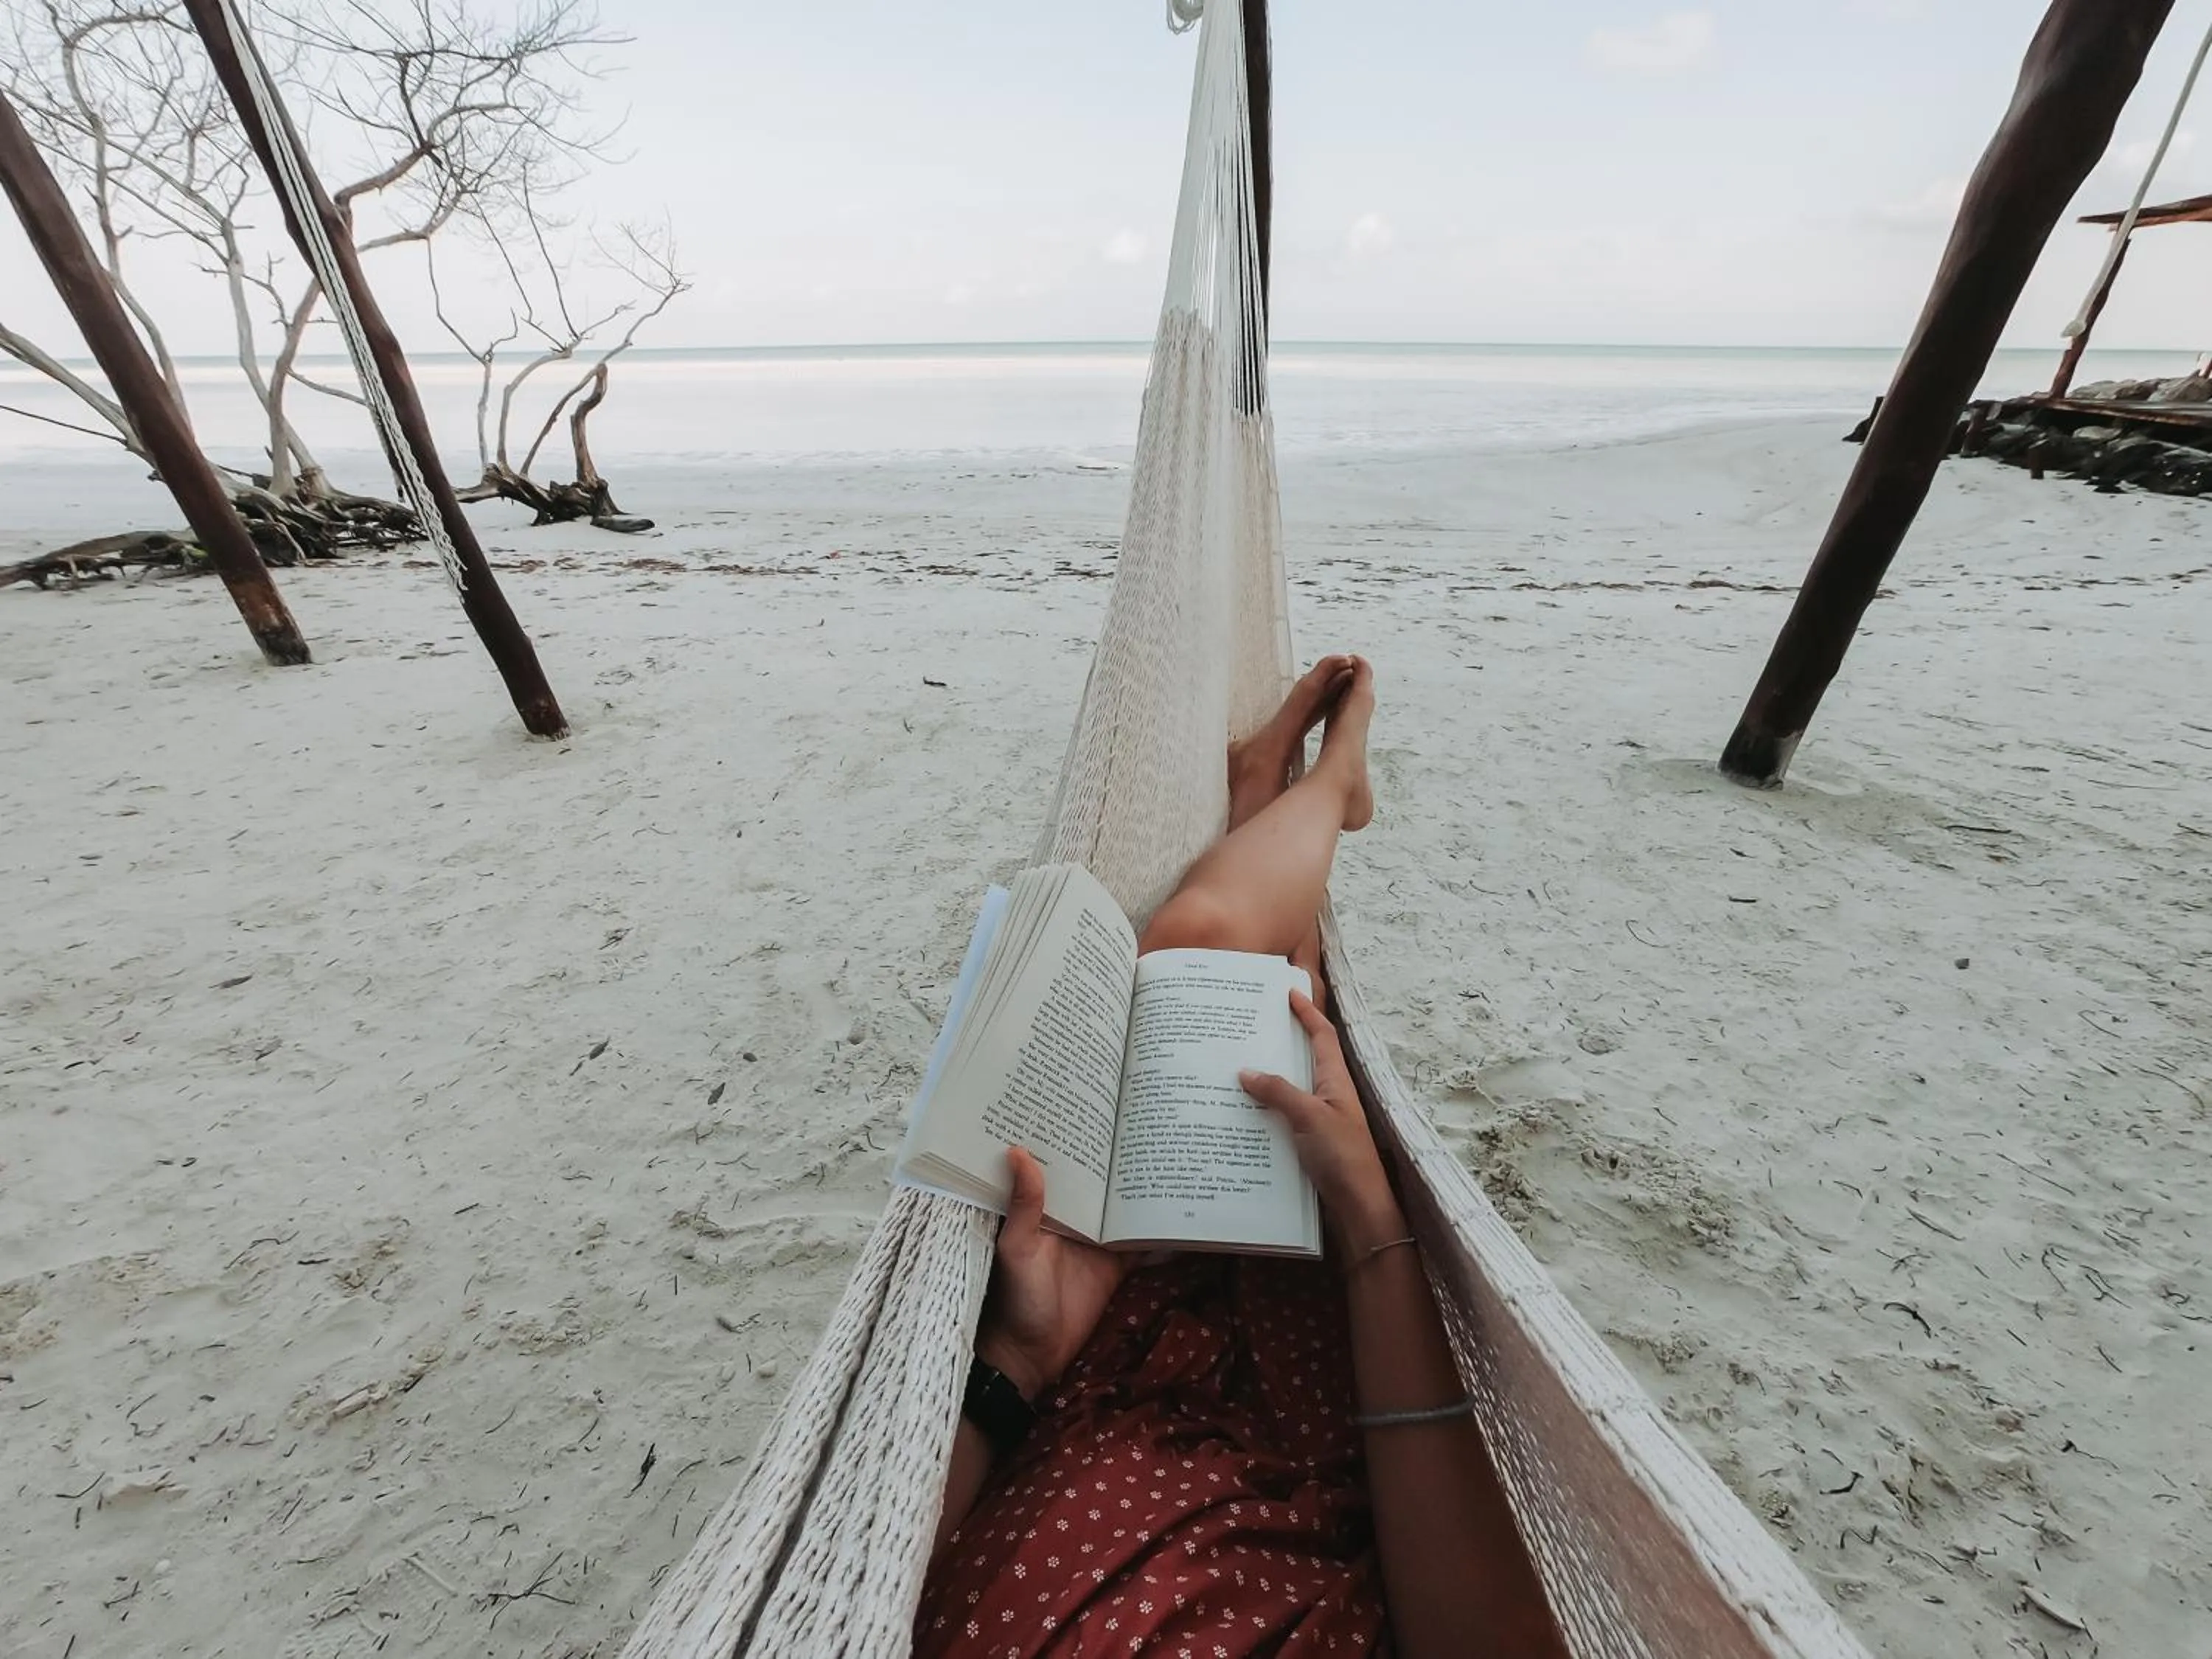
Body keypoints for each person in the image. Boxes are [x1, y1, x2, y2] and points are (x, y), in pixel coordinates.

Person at [919, 658, 1568, 1659]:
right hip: (1309, 1403)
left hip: (1077, 1381)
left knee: (1203, 967)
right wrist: (1369, 1215)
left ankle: (1279, 797)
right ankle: (1322, 788)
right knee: (1238, 975)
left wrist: (1017, 1359)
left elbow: (879, 1569)